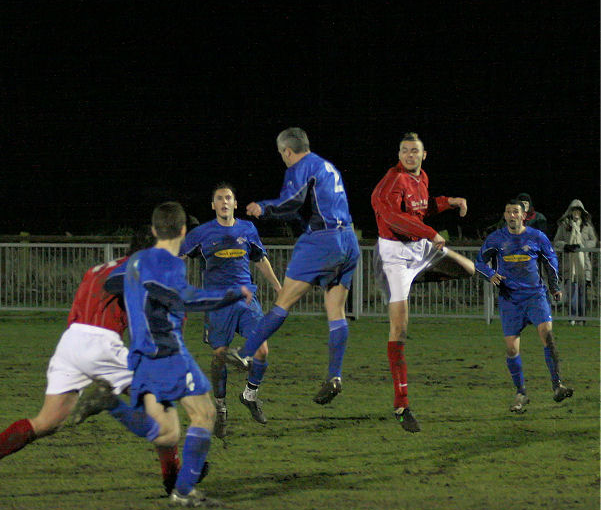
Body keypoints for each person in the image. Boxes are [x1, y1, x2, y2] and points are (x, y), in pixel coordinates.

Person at [0, 229, 177, 503]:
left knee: (47, 421)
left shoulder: (98, 268)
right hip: (100, 341)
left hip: (71, 342)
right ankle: (175, 481)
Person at [123, 201, 252, 508]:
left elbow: (118, 287)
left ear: (154, 230)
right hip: (166, 352)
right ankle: (183, 491)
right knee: (204, 414)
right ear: (183, 230)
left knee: (168, 430)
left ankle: (179, 484)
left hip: (140, 355)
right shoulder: (166, 262)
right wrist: (230, 294)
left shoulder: (133, 262)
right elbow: (186, 298)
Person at [225, 127, 360, 406]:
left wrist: (265, 208)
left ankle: (245, 353)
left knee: (283, 302)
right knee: (336, 313)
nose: (283, 159)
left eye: (281, 154)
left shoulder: (302, 166)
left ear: (287, 151)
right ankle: (334, 375)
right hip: (349, 241)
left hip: (324, 241)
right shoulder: (327, 166)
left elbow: (291, 202)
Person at [371, 131, 475, 433]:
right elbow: (392, 218)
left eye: (414, 150)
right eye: (404, 150)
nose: (409, 155)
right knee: (400, 329)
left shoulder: (421, 177)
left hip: (420, 249)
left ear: (424, 154)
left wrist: (450, 202)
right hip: (396, 256)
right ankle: (402, 404)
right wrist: (431, 233)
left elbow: (423, 207)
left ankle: (415, 280)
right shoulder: (392, 182)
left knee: (467, 269)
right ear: (399, 154)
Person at [179, 183, 282, 438]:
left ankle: (250, 394)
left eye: (228, 198)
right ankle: (221, 407)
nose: (224, 202)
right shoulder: (201, 233)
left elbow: (259, 258)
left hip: (247, 301)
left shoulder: (247, 229)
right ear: (212, 205)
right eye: (219, 199)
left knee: (262, 348)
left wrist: (279, 287)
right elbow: (179, 258)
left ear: (235, 204)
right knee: (219, 356)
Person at [475, 199, 573, 413]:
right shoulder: (496, 238)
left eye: (516, 212)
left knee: (547, 334)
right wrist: (490, 274)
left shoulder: (537, 237)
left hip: (535, 296)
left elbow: (550, 260)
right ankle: (521, 393)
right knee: (511, 348)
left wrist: (555, 286)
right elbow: (479, 262)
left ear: (523, 215)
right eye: (508, 212)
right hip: (510, 300)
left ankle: (557, 385)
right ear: (505, 215)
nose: (512, 215)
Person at [553, 199, 598, 325]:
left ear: (582, 212)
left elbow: (593, 241)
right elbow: (557, 241)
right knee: (572, 292)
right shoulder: (564, 225)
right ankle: (572, 317)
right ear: (570, 211)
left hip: (584, 265)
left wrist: (582, 246)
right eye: (574, 210)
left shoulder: (587, 226)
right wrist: (567, 246)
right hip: (569, 264)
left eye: (578, 210)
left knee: (583, 293)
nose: (576, 213)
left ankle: (582, 317)